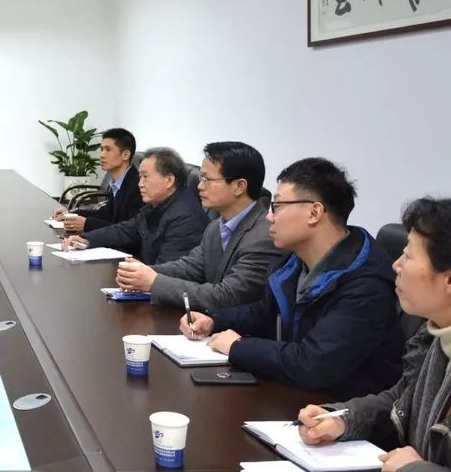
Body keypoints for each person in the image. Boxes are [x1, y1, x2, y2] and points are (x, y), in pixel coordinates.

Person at [181, 157, 403, 399]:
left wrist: (238, 347)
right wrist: (214, 320)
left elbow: (314, 363)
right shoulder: (294, 260)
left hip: (336, 409)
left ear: (314, 212)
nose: (269, 217)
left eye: (277, 206)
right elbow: (266, 313)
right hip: (293, 393)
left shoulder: (366, 285)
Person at [295, 198, 451, 472]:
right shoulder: (434, 335)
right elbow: (402, 399)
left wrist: (414, 469)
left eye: (408, 256)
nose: (396, 265)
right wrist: (343, 419)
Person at [116, 141, 283, 309]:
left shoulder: (264, 236)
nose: (200, 186)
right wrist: (140, 272)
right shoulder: (215, 227)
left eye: (207, 179)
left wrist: (154, 282)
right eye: (201, 178)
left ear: (239, 186)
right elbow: (190, 267)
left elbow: (228, 295)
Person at [61, 147, 206, 265]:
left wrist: (135, 273)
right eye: (140, 177)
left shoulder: (185, 218)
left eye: (145, 177)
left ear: (169, 180)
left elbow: (170, 272)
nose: (140, 184)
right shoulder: (156, 205)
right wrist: (87, 239)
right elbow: (126, 230)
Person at [52, 128, 144, 232]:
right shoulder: (119, 182)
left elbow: (128, 230)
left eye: (108, 150)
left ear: (125, 155)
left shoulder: (138, 186)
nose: (102, 155)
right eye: (102, 149)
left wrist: (87, 224)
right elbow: (106, 214)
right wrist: (71, 213)